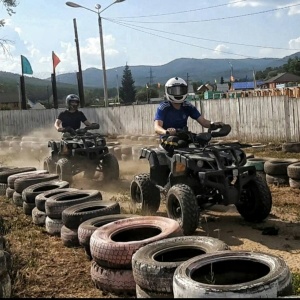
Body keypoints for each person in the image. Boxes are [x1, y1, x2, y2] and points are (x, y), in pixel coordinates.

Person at [154, 77, 224, 151]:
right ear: (167, 91)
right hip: (167, 138)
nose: (178, 93)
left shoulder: (188, 106)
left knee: (201, 143)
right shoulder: (163, 107)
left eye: (181, 90)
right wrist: (166, 131)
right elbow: (157, 127)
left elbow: (203, 122)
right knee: (180, 143)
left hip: (184, 135)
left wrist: (214, 124)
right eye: (174, 90)